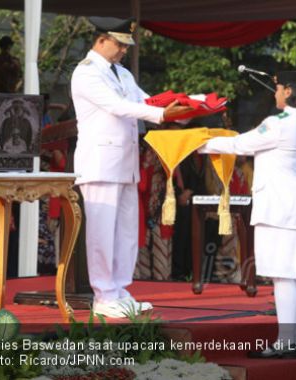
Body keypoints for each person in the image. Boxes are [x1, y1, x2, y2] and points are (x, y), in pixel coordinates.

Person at [71, 17, 191, 318]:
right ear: (101, 41)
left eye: (126, 46)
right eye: (120, 45)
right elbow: (117, 106)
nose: (124, 51)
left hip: (124, 161)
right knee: (102, 232)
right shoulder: (86, 74)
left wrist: (188, 105)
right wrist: (163, 113)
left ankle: (121, 289)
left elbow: (145, 101)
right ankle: (103, 294)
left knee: (125, 230)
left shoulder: (122, 73)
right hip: (99, 163)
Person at [199, 71, 296, 358]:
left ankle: (284, 342)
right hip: (294, 201)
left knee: (284, 275)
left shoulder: (279, 122)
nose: (275, 93)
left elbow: (240, 145)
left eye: (279, 88)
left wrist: (199, 144)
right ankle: (291, 341)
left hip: (279, 204)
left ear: (289, 91)